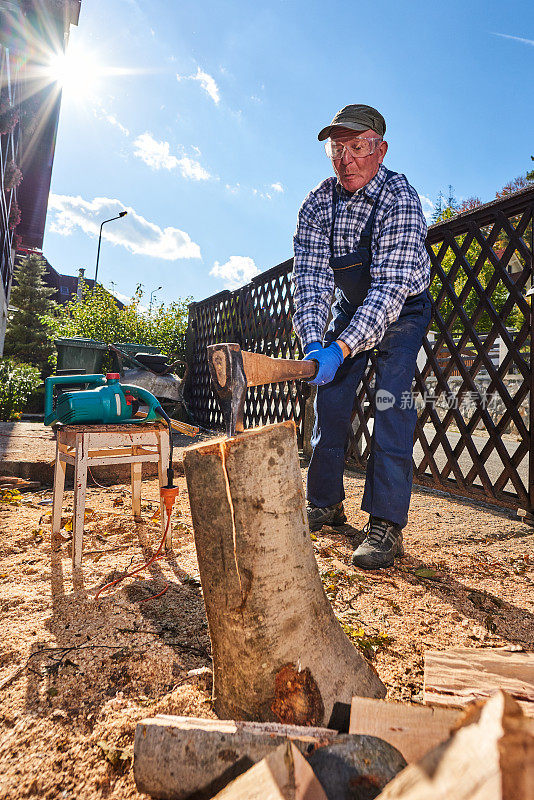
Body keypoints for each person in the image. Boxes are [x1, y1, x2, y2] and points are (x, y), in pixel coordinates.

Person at [291, 104, 431, 569]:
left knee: (393, 405)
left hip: (403, 308)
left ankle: (386, 524)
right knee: (329, 401)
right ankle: (326, 503)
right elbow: (310, 281)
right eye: (337, 147)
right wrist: (316, 344)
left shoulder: (400, 199)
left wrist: (344, 346)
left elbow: (390, 289)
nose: (345, 158)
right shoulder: (317, 204)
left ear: (380, 149)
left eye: (357, 147)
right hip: (351, 308)